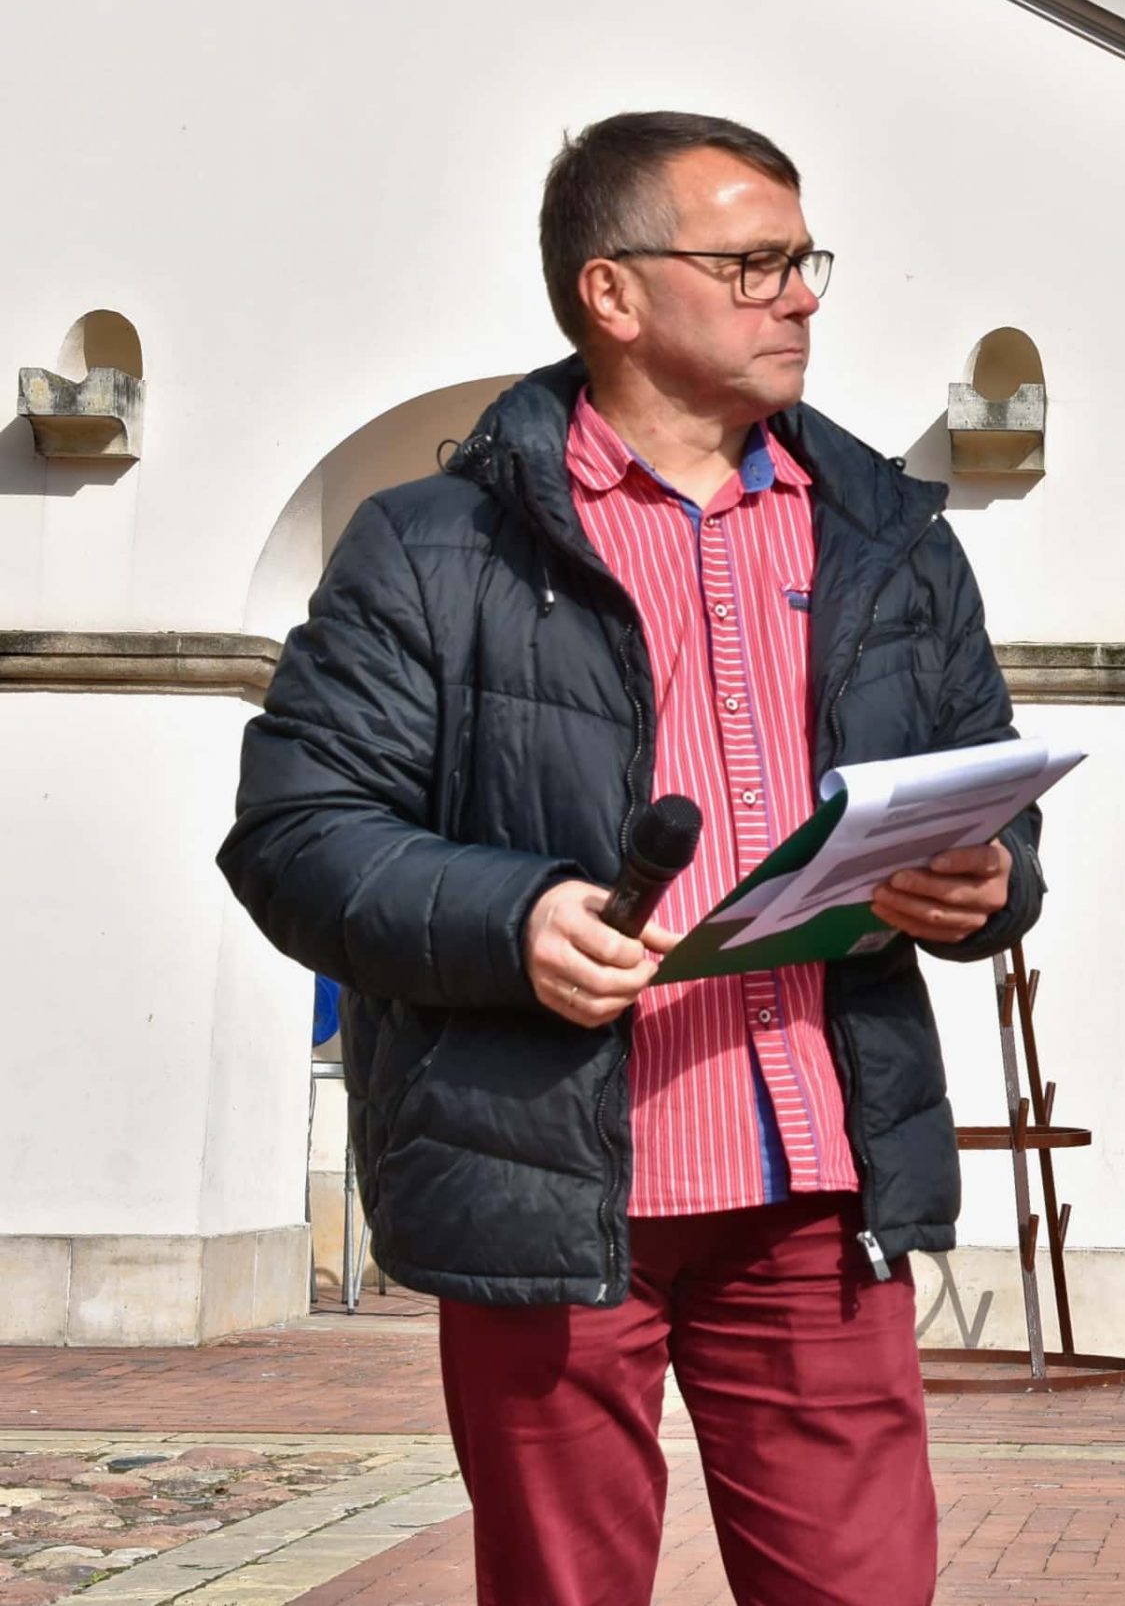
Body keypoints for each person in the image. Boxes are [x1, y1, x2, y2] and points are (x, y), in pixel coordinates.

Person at [219, 111, 1043, 1606]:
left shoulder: (895, 539)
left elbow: (985, 792)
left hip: (818, 1163)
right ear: (612, 293)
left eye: (805, 261)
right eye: (752, 262)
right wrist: (514, 914)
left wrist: (987, 883)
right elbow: (298, 834)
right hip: (546, 1172)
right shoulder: (431, 546)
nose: (799, 294)